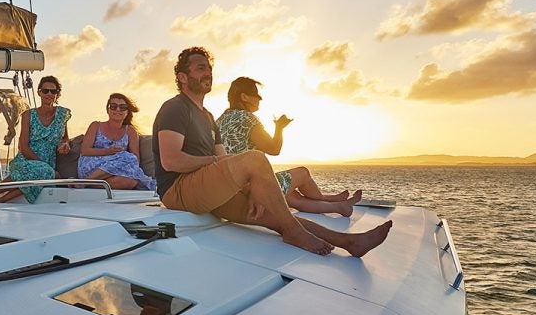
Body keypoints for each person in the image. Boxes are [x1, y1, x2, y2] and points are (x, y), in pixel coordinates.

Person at [152, 47, 391, 257]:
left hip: (207, 190)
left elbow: (226, 159)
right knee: (256, 158)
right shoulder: (175, 108)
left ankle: (349, 242)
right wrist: (222, 164)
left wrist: (253, 188)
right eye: (200, 68)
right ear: (182, 77)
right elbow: (172, 161)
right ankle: (296, 235)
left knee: (277, 214)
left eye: (210, 68)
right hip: (178, 190)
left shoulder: (209, 117)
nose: (208, 73)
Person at [218, 76, 362, 217]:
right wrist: (279, 127)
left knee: (292, 196)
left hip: (233, 191)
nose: (260, 98)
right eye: (256, 94)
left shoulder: (220, 120)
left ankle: (340, 207)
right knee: (303, 173)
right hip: (254, 190)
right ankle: (324, 198)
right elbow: (274, 149)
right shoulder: (246, 118)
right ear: (244, 97)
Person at [0, 76, 71, 203]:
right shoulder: (28, 115)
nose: (49, 94)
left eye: (53, 91)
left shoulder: (62, 114)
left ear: (57, 94)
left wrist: (65, 144)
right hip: (26, 158)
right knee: (42, 171)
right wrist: (43, 165)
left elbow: (65, 137)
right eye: (45, 91)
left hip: (48, 161)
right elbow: (23, 147)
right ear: (39, 92)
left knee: (42, 172)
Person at [77, 92, 156, 191]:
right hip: (92, 166)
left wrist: (121, 165)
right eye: (113, 106)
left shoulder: (130, 131)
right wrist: (108, 152)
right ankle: (87, 181)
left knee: (131, 181)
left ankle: (86, 184)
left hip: (116, 170)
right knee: (127, 157)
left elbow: (136, 158)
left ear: (127, 112)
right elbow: (85, 151)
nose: (118, 109)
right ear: (108, 110)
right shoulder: (96, 125)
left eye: (122, 107)